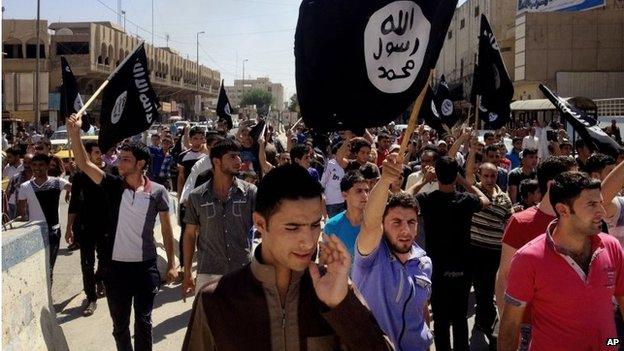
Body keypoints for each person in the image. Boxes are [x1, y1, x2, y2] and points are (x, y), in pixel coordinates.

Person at [182, 164, 392, 350]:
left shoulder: (334, 289)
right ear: (260, 224)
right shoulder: (217, 299)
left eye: (314, 225)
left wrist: (342, 306)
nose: (309, 242)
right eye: (292, 227)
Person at [67, 113, 177, 351]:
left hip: (146, 268)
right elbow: (84, 164)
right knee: (120, 327)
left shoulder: (158, 192)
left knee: (144, 322)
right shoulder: (113, 186)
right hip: (115, 270)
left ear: (140, 164)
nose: (119, 163)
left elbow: (167, 230)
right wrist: (75, 133)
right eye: (121, 159)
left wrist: (172, 264)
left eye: (126, 160)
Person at [498, 172, 624, 351]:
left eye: (601, 203)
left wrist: (613, 343)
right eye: (591, 205)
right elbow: (510, 326)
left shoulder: (611, 246)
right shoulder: (528, 258)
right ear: (563, 210)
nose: (602, 212)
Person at [495, 156, 577, 349]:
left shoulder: (579, 222)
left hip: (572, 327)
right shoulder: (520, 223)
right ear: (552, 185)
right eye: (572, 179)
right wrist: (508, 328)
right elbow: (504, 275)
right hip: (528, 329)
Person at [352, 153, 432, 350]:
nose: (405, 230)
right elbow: (370, 223)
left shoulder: (424, 262)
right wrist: (385, 179)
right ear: (383, 224)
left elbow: (421, 309)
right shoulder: (371, 255)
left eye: (411, 222)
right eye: (396, 222)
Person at [415, 154, 490, 351]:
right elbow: (486, 200)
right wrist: (464, 181)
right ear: (455, 175)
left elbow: (405, 197)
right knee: (459, 317)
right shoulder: (465, 200)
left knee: (440, 318)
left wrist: (423, 181)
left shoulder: (427, 199)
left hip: (437, 268)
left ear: (436, 176)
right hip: (462, 267)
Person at [181, 139, 257, 297]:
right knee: (208, 321)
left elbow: (266, 228)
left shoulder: (250, 193)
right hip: (208, 272)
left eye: (238, 156)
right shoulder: (196, 196)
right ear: (216, 161)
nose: (238, 161)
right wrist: (187, 271)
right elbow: (189, 235)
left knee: (241, 321)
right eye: (232, 157)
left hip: (242, 270)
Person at [466, 159, 513, 346]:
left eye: (493, 175)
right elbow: (467, 176)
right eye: (485, 175)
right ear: (480, 176)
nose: (489, 179)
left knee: (489, 291)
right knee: (483, 292)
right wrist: (471, 148)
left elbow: (509, 224)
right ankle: (492, 329)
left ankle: (482, 322)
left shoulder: (504, 198)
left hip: (495, 252)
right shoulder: (474, 193)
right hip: (476, 251)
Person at [66, 140, 109, 316]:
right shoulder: (80, 177)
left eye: (101, 153)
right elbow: (74, 204)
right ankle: (91, 298)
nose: (100, 156)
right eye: (96, 153)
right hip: (85, 228)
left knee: (106, 261)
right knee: (86, 264)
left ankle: (99, 279)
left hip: (106, 227)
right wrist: (69, 228)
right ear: (88, 155)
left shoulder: (110, 174)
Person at [17, 154, 72, 282]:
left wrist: (75, 173)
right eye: (34, 165)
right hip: (34, 232)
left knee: (49, 267)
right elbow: (22, 212)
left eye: (41, 165)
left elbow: (77, 190)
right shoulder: (25, 186)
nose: (37, 168)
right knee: (38, 267)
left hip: (53, 231)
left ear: (47, 166)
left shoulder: (57, 182)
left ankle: (48, 297)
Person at [177, 126, 207, 273]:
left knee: (204, 232)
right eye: (195, 138)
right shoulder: (184, 155)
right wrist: (179, 196)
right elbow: (181, 177)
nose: (198, 141)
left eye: (201, 138)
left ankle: (202, 263)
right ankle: (183, 265)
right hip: (188, 199)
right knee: (185, 231)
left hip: (205, 199)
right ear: (190, 139)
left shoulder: (208, 156)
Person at [323, 171, 369, 258]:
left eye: (366, 190)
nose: (365, 195)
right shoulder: (332, 226)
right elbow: (325, 260)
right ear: (344, 195)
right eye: (359, 191)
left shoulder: (375, 224)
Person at [321, 142, 346, 217]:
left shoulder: (347, 164)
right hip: (331, 202)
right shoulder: (330, 164)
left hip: (344, 201)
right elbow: (323, 181)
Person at [5, 153, 33, 220]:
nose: (27, 165)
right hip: (20, 217)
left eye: (29, 163)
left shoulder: (39, 178)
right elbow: (6, 196)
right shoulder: (16, 178)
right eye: (25, 163)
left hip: (36, 217)